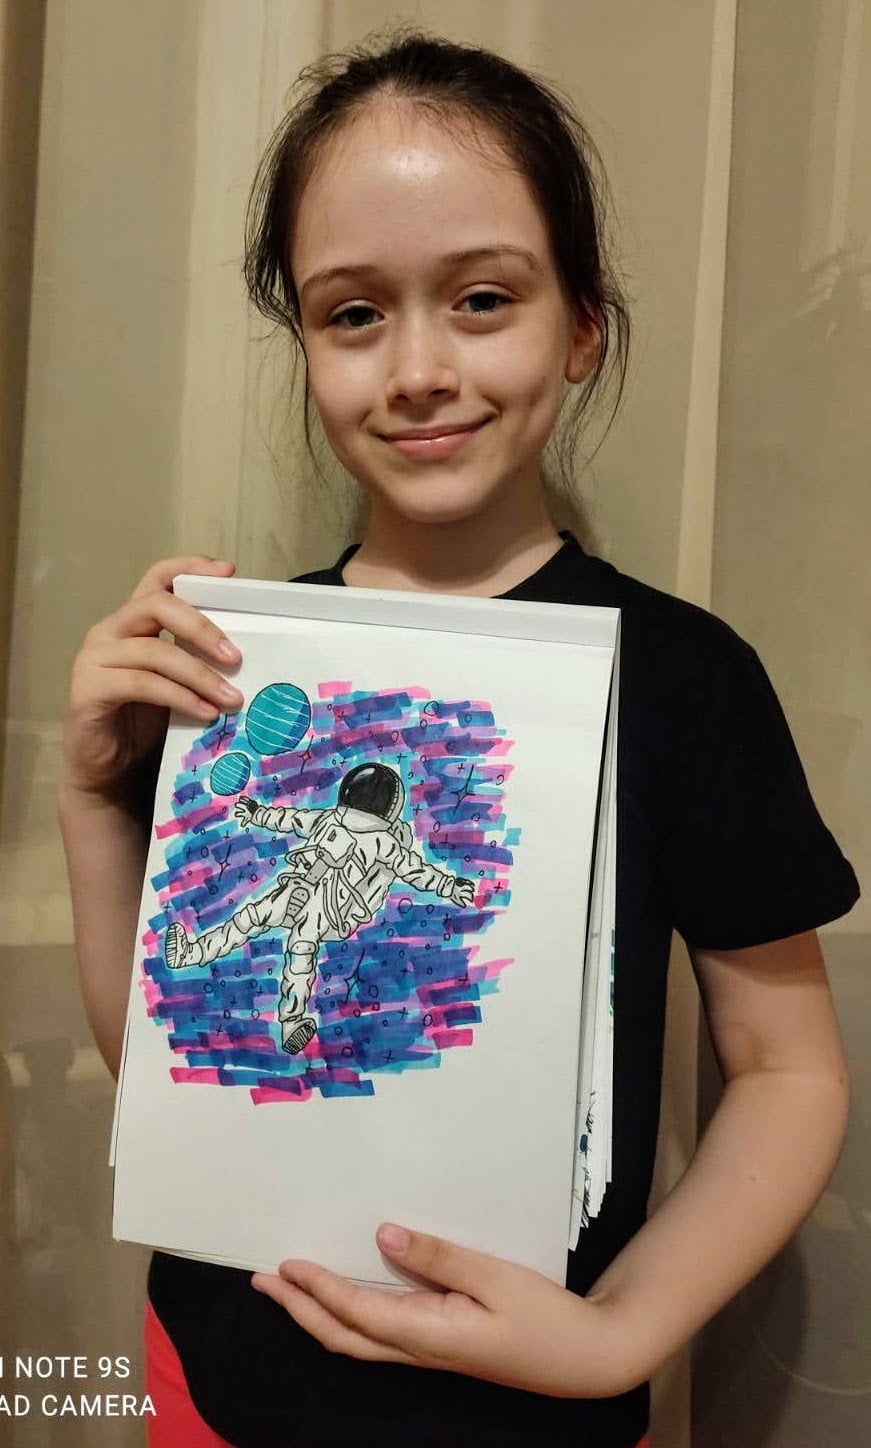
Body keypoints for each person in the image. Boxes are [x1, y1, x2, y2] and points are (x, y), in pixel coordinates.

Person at [59, 29, 859, 1448]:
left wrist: (621, 1331)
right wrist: (89, 797)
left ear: (581, 326)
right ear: (305, 345)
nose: (418, 368)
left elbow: (787, 1070)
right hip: (214, 1381)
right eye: (353, 313)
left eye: (482, 298)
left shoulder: (685, 680)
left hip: (524, 1417)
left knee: (284, 930)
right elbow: (179, 1073)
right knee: (263, 941)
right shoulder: (237, 666)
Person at [163, 764, 475, 1053]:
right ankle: (285, 1017)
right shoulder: (358, 831)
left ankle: (281, 1015)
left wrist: (258, 814)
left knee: (261, 927)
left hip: (329, 905)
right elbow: (416, 871)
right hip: (300, 888)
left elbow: (292, 820)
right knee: (283, 942)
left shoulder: (373, 837)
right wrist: (450, 886)